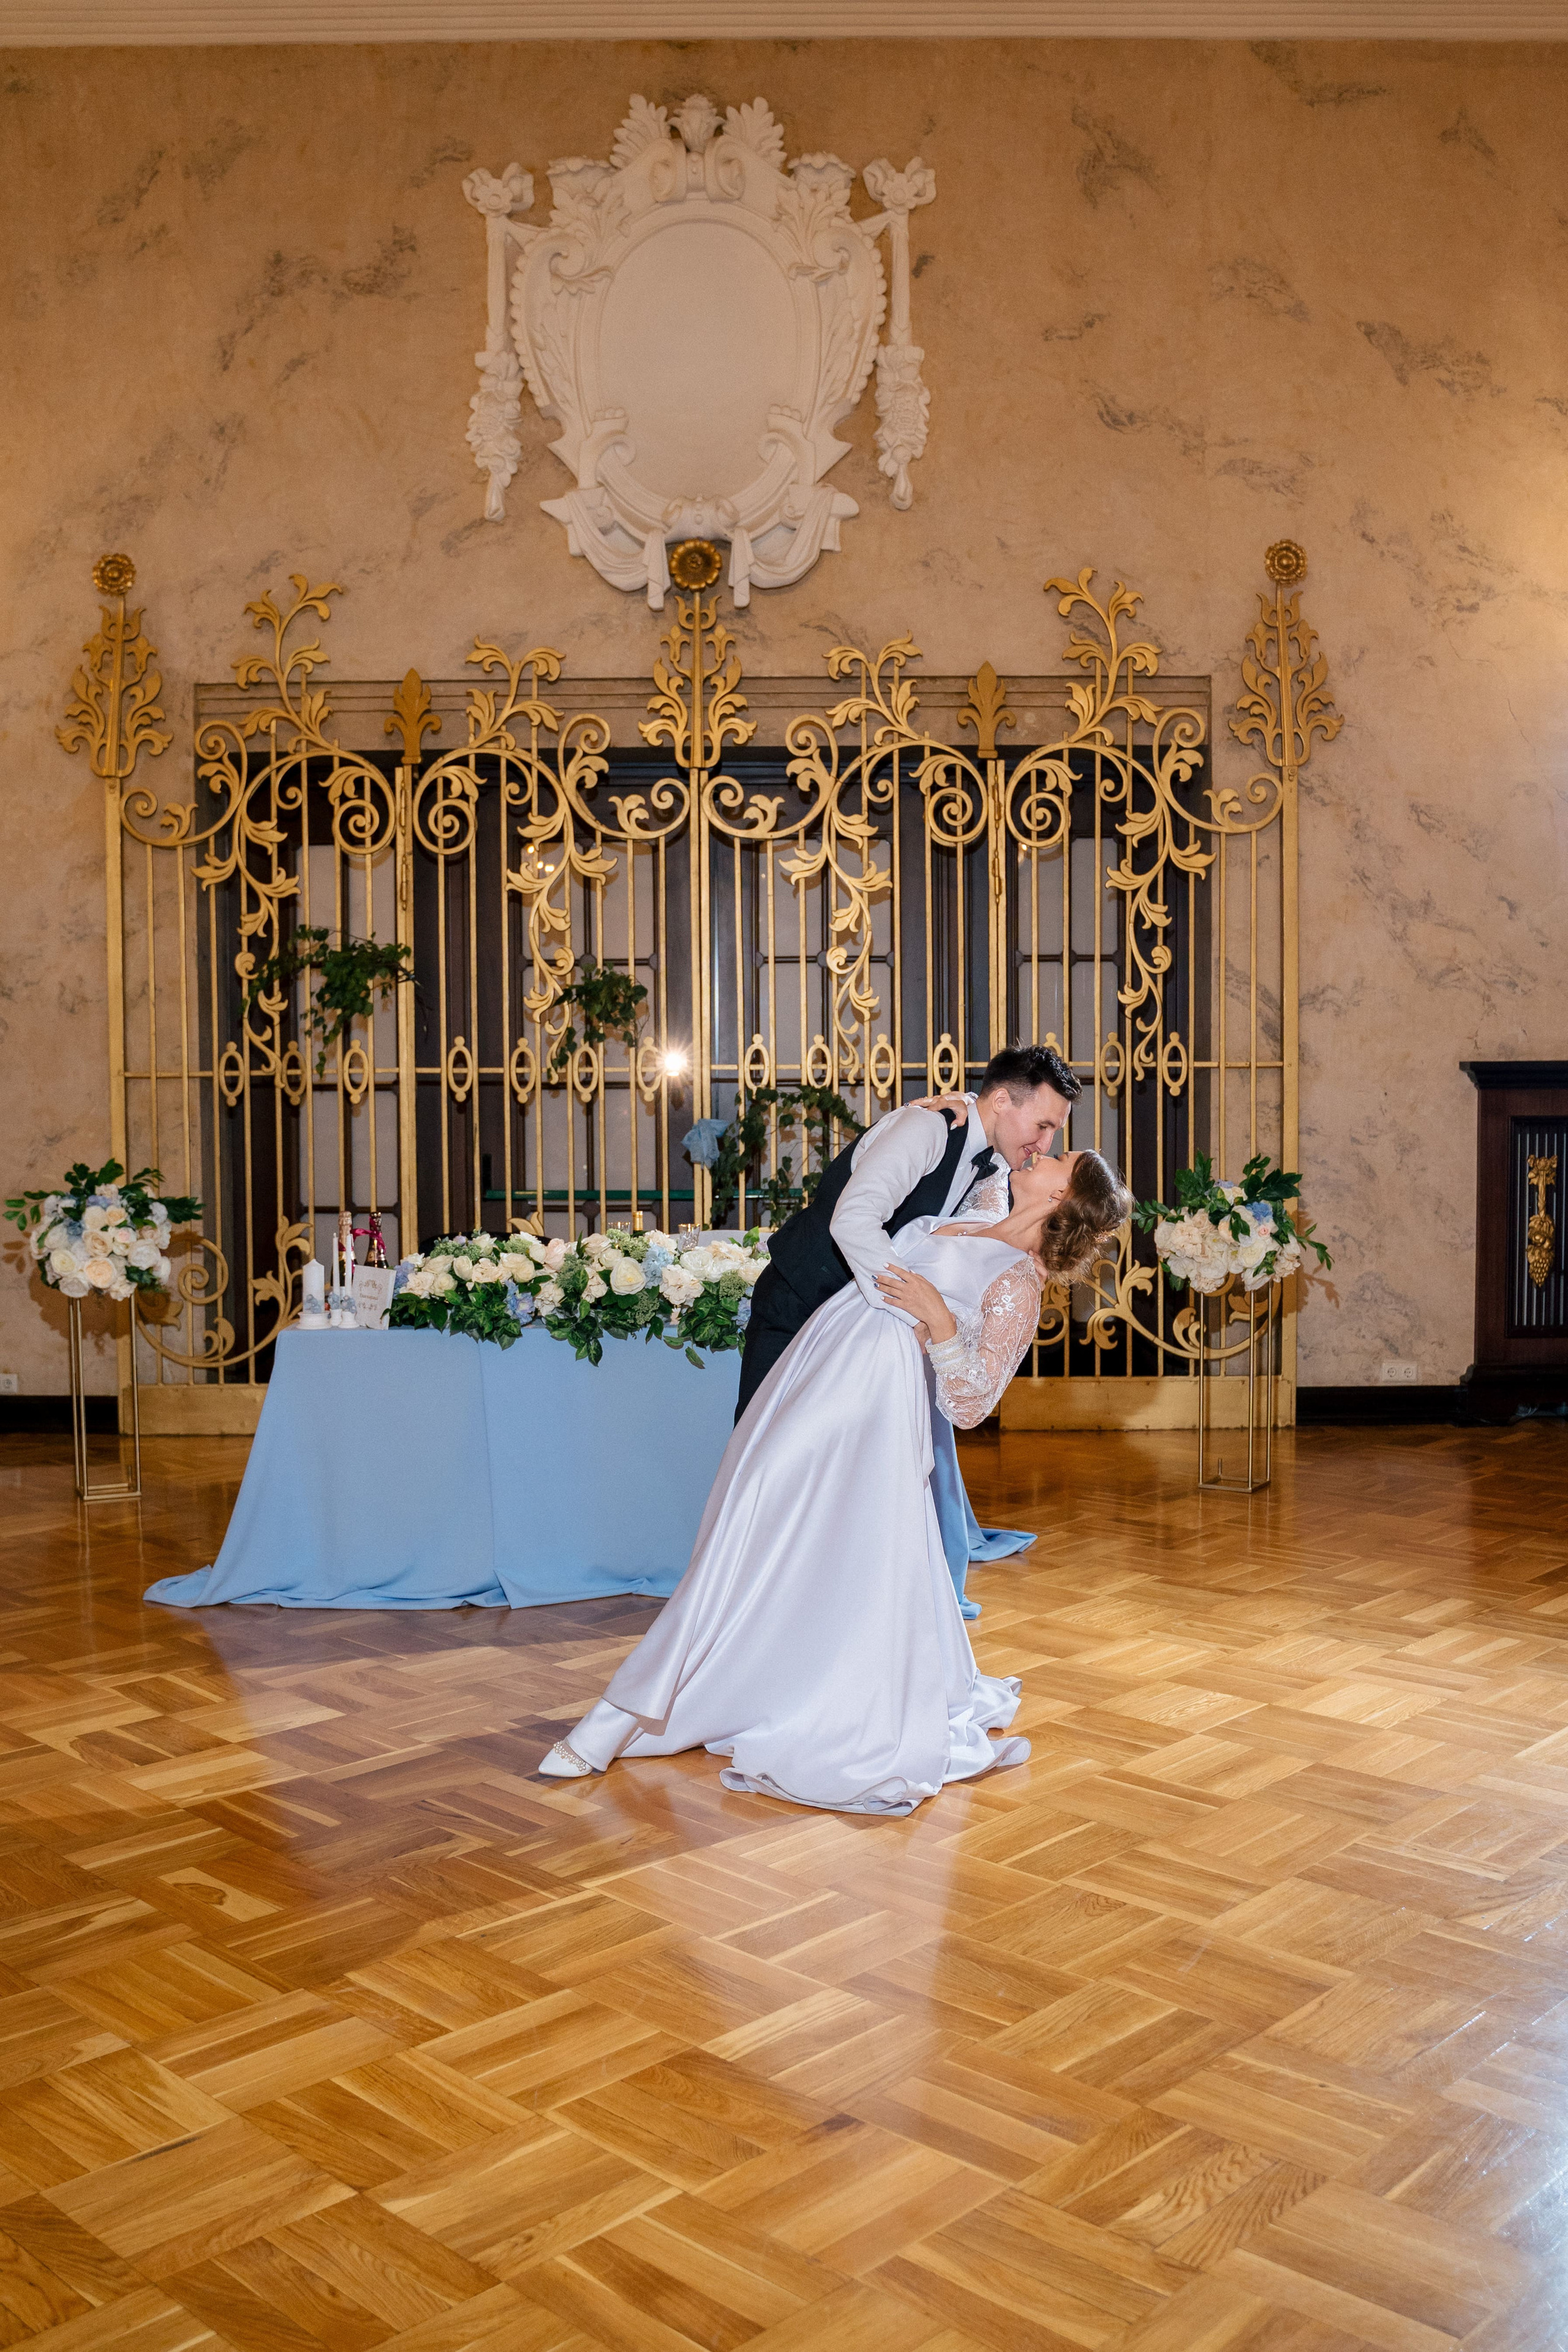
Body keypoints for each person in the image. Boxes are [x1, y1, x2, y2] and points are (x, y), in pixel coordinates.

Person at [537, 1147, 1131, 1815]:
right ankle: (739, 1682)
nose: (1042, 1149)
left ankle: (620, 1718)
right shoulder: (982, 1204)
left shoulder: (1019, 1282)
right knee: (757, 1522)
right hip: (819, 1363)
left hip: (870, 1400)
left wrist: (938, 1317)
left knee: (762, 1512)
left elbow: (972, 1403)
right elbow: (963, 1140)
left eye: (1059, 1156)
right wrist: (948, 1111)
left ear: (1060, 1196)